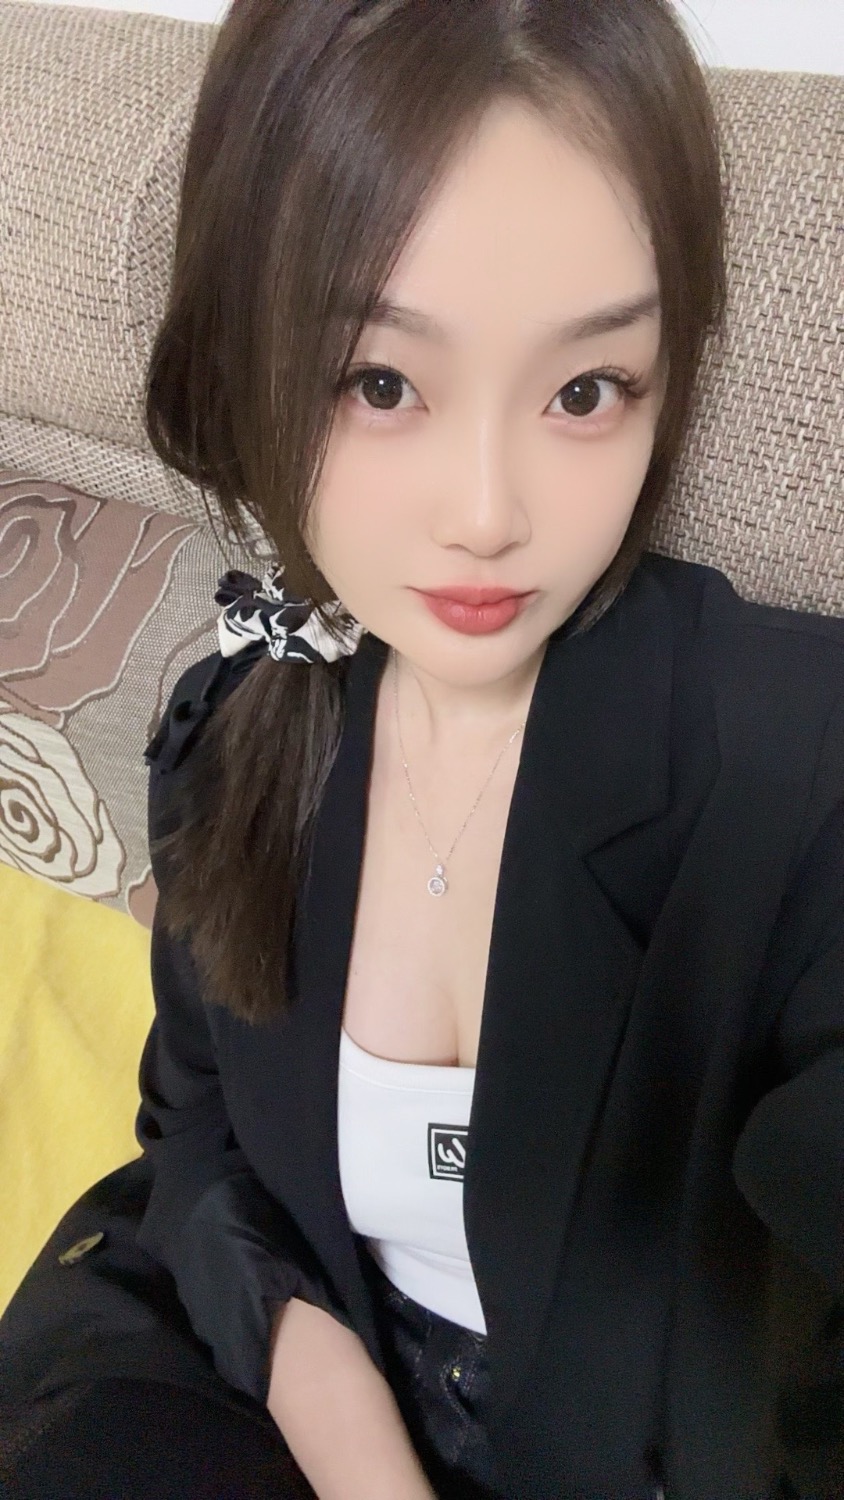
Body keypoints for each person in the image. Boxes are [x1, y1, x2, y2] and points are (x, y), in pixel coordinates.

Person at [0, 0, 842, 1497]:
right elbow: (198, 1138)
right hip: (254, 1361)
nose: (489, 513)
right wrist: (339, 1415)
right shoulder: (239, 722)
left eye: (585, 390)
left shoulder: (796, 770)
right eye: (381, 382)